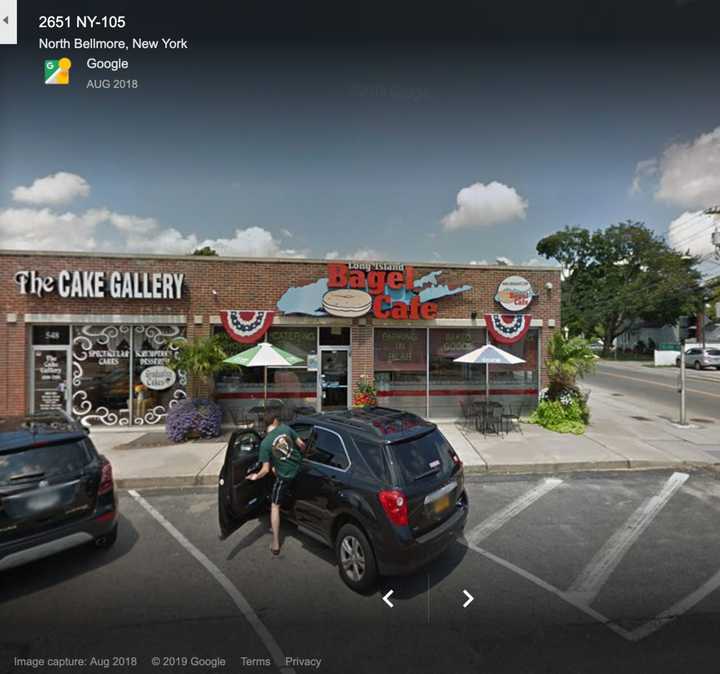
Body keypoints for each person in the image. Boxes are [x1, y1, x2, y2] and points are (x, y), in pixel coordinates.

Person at [247, 408, 306, 555]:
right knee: (275, 469)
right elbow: (302, 445)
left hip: (285, 477)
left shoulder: (265, 444)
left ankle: (275, 543)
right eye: (277, 419)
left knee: (274, 506)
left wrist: (255, 476)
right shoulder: (286, 428)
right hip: (299, 469)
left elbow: (265, 470)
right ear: (274, 421)